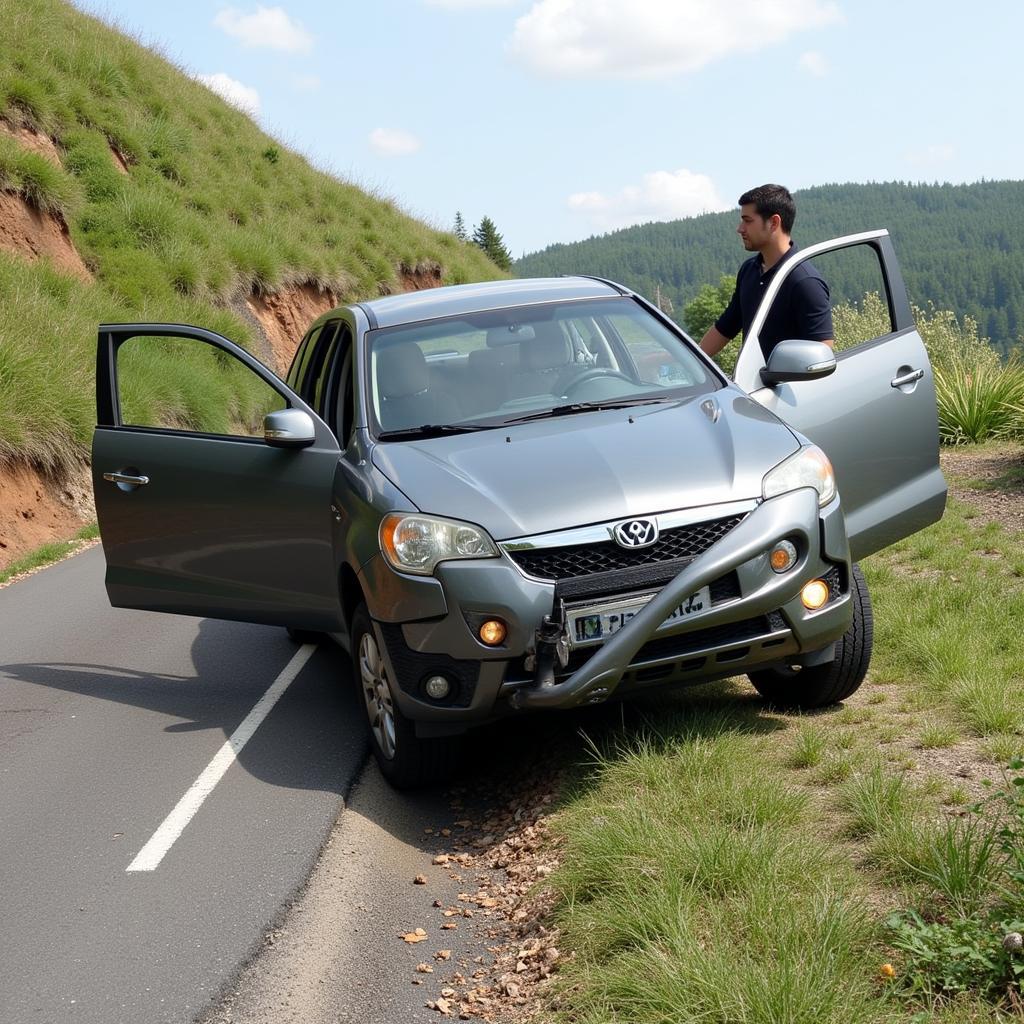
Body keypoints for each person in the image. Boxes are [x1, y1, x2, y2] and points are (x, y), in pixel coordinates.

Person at [699, 184, 833, 364]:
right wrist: (689, 362)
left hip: (789, 390)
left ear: (774, 223)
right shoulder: (749, 270)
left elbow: (822, 355)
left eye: (748, 220)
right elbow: (726, 327)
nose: (740, 228)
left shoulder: (804, 281)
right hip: (751, 387)